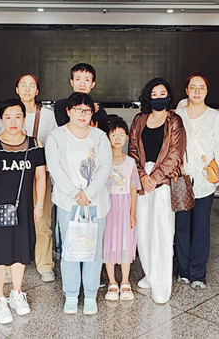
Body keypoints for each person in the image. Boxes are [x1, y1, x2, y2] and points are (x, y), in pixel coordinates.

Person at [0, 98, 46, 324]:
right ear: (1, 120)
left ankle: (16, 293)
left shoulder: (35, 145)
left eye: (17, 116)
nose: (13, 121)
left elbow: (41, 177)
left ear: (24, 119)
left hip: (23, 208)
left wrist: (39, 205)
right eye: (8, 117)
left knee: (20, 251)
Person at [45, 92, 112, 315]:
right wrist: (76, 194)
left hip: (95, 203)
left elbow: (106, 167)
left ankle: (91, 295)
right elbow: (55, 168)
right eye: (77, 110)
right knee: (70, 251)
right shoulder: (56, 137)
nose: (82, 114)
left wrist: (89, 193)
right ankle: (72, 294)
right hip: (69, 203)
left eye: (87, 110)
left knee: (94, 251)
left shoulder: (100, 136)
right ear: (68, 111)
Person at [128, 78, 186, 304]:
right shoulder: (139, 119)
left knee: (161, 232)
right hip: (142, 181)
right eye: (154, 94)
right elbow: (133, 149)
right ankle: (150, 274)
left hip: (163, 182)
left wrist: (154, 178)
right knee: (143, 229)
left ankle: (161, 284)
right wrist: (142, 176)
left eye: (163, 94)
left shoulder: (175, 120)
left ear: (168, 96)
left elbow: (175, 154)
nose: (159, 97)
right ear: (148, 97)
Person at [175, 73, 219, 289]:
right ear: (186, 90)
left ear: (207, 91)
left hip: (205, 179)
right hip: (181, 179)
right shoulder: (176, 115)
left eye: (201, 88)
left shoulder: (215, 117)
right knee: (181, 226)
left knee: (201, 226)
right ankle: (183, 270)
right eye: (193, 87)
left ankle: (198, 273)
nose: (197, 92)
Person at [15, 74, 58, 282]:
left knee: (42, 220)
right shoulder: (9, 112)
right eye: (23, 85)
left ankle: (45, 264)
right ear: (17, 89)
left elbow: (53, 146)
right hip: (14, 174)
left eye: (31, 86)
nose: (27, 89)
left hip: (40, 174)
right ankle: (12, 263)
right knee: (14, 220)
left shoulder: (47, 116)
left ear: (37, 91)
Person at [103, 117, 141, 301]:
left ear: (126, 138)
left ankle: (125, 281)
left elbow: (133, 189)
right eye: (113, 135)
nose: (117, 139)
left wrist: (132, 213)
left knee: (126, 241)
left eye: (121, 135)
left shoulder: (130, 162)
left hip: (124, 206)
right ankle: (112, 282)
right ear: (107, 137)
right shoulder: (103, 161)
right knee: (108, 242)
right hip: (107, 205)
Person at [53, 63, 109, 132]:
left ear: (92, 84)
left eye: (87, 80)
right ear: (72, 82)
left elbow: (104, 134)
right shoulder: (61, 106)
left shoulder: (99, 111)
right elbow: (66, 130)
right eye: (78, 79)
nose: (82, 84)